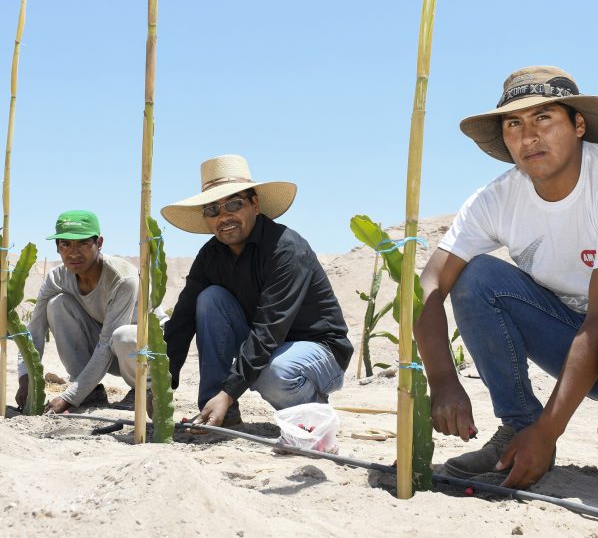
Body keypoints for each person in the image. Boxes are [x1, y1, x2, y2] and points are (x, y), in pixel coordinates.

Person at [414, 66, 598, 498]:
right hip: (577, 343)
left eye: (544, 118)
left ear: (578, 125)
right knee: (477, 276)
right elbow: (431, 282)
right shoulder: (497, 198)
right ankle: (518, 428)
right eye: (514, 124)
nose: (529, 137)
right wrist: (442, 380)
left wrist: (552, 431)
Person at [160, 154, 353, 429]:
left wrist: (230, 391)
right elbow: (181, 321)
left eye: (234, 204)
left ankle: (313, 416)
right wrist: (161, 384)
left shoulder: (285, 248)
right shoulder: (210, 255)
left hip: (319, 351)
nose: (224, 216)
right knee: (209, 299)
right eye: (213, 210)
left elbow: (269, 329)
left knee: (273, 372)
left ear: (254, 204)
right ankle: (217, 413)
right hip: (268, 346)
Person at [16, 210, 140, 412]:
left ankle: (141, 391)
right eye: (65, 244)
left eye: (83, 243)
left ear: (99, 243)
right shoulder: (57, 278)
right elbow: (35, 331)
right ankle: (90, 393)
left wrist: (69, 397)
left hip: (140, 355)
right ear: (57, 248)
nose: (73, 253)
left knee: (122, 335)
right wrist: (25, 378)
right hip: (103, 350)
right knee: (57, 304)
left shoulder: (122, 278)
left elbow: (107, 342)